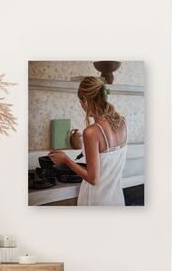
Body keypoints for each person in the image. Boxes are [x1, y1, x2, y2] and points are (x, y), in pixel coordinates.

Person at [48, 76, 127, 206]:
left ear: (85, 100)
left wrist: (66, 160)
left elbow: (93, 179)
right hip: (117, 200)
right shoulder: (123, 122)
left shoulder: (92, 132)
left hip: (96, 201)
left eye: (80, 101)